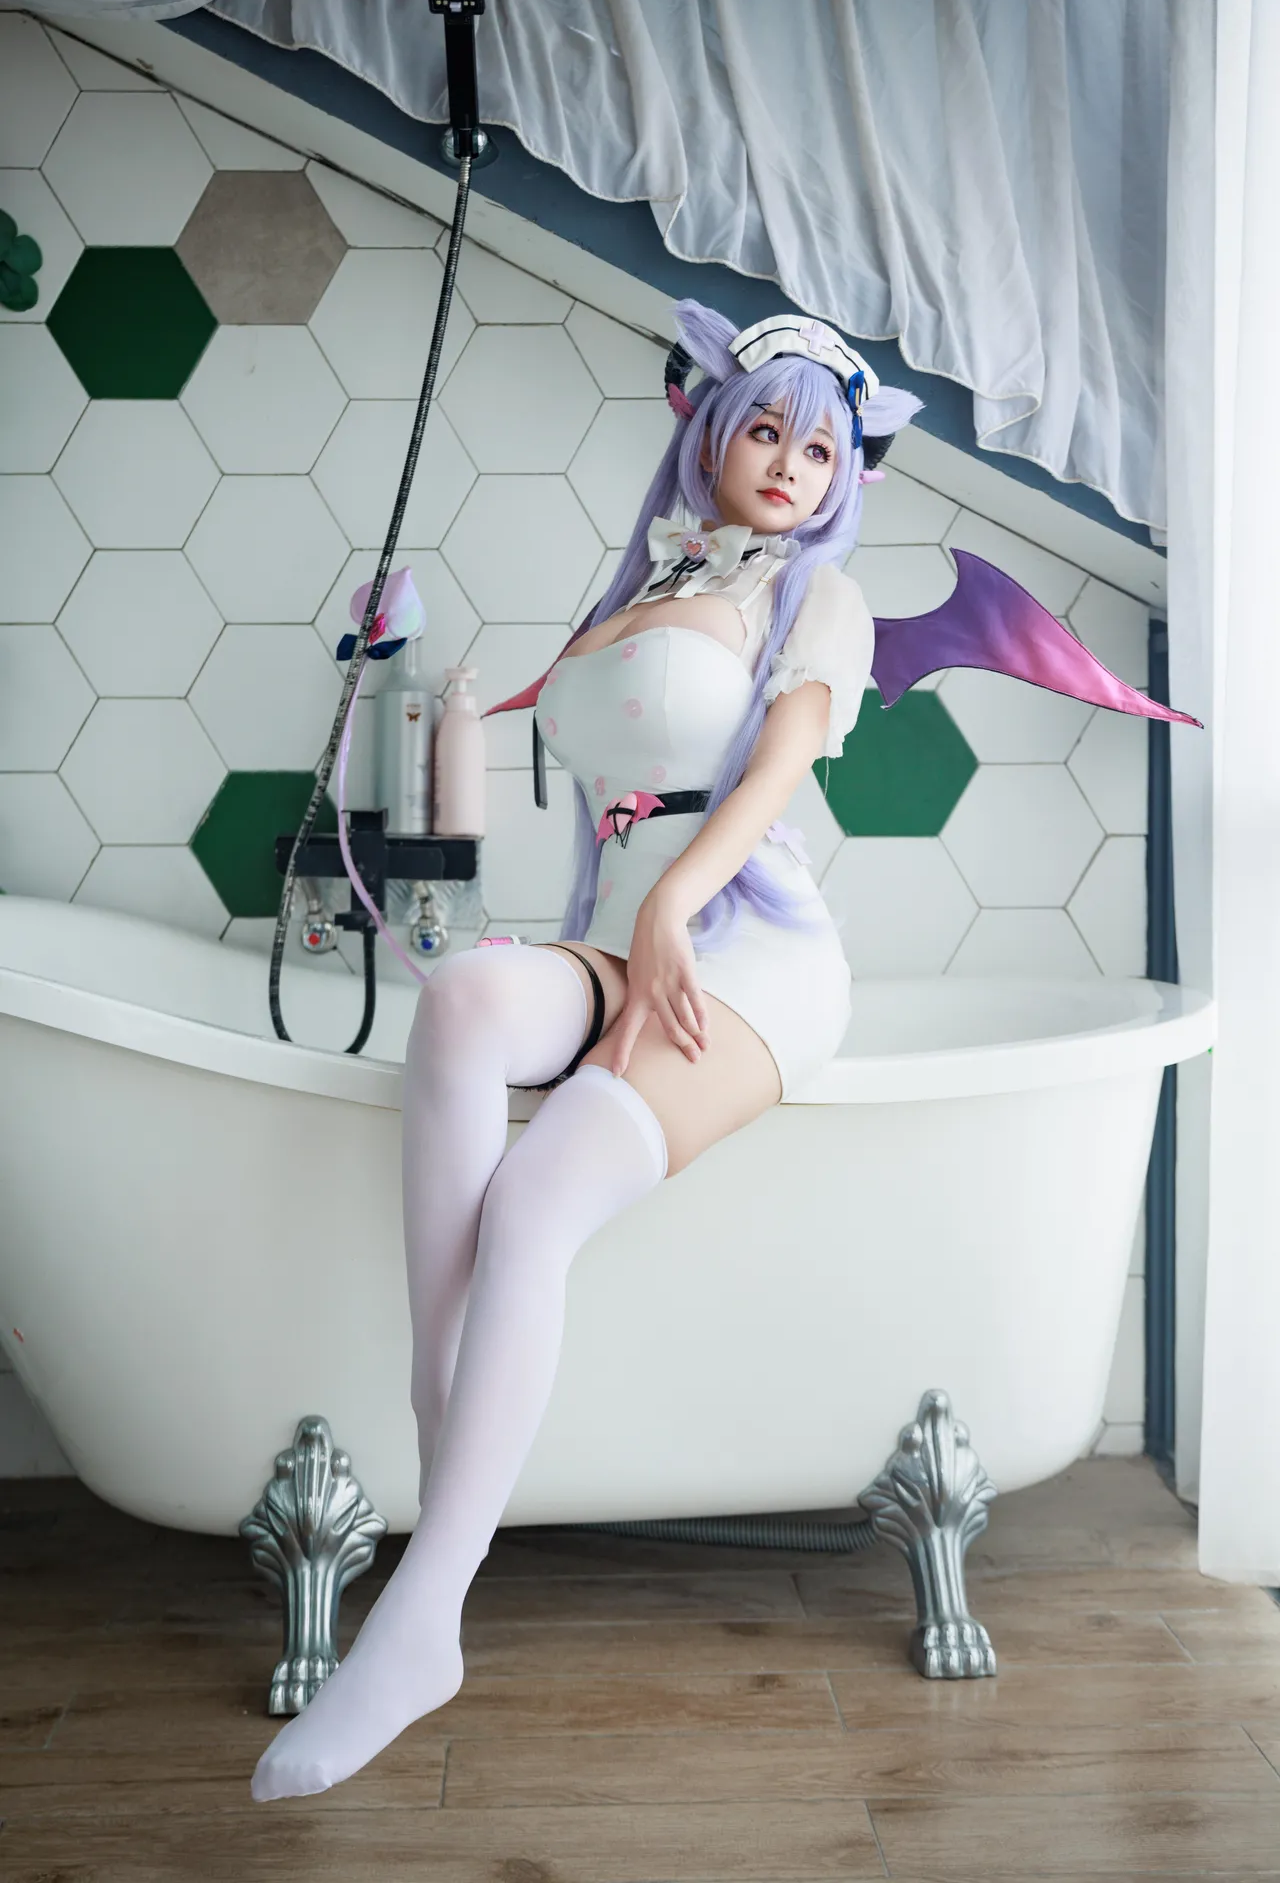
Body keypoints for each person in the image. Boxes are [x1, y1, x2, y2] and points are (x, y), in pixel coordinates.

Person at [248, 294, 1185, 1800]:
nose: (791, 468)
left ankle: (425, 1616)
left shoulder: (824, 596)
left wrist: (678, 899)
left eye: (821, 452)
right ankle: (442, 1423)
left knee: (534, 1202)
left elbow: (774, 770)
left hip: (748, 951)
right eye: (767, 432)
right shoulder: (650, 579)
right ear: (708, 434)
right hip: (628, 938)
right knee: (463, 1003)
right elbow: (582, 786)